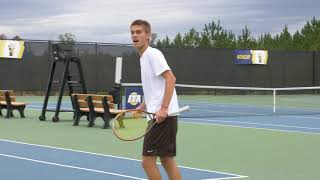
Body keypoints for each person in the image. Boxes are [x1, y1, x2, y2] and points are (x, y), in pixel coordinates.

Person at [130, 19, 182, 180]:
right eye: (132, 32)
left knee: (147, 162)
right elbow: (155, 88)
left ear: (148, 36)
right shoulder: (144, 57)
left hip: (162, 118)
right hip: (160, 116)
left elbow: (171, 79)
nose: (134, 35)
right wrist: (143, 105)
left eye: (139, 32)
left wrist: (164, 108)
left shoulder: (153, 54)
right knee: (167, 160)